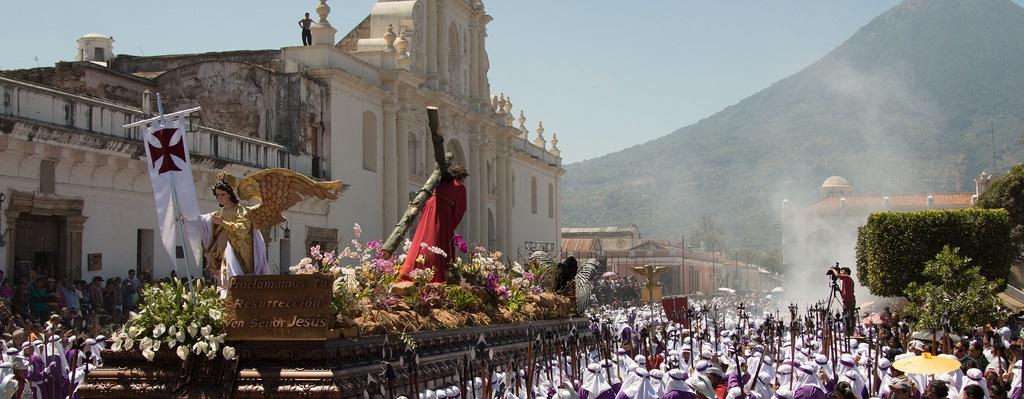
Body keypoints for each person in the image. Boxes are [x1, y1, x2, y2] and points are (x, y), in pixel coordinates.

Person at [398, 164, 468, 283]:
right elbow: (460, 209)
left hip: (429, 211)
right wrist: (451, 223)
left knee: (422, 239)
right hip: (443, 215)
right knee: (439, 243)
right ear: (460, 176)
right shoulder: (459, 187)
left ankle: (412, 271)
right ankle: (437, 276)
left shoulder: (437, 183)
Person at [197, 173, 270, 285]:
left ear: (230, 194)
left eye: (223, 194)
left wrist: (223, 222)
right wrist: (188, 220)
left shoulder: (241, 211)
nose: (219, 198)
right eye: (217, 195)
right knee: (224, 280)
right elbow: (204, 221)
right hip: (223, 251)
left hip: (239, 251)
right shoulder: (219, 213)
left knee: (235, 278)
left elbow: (242, 229)